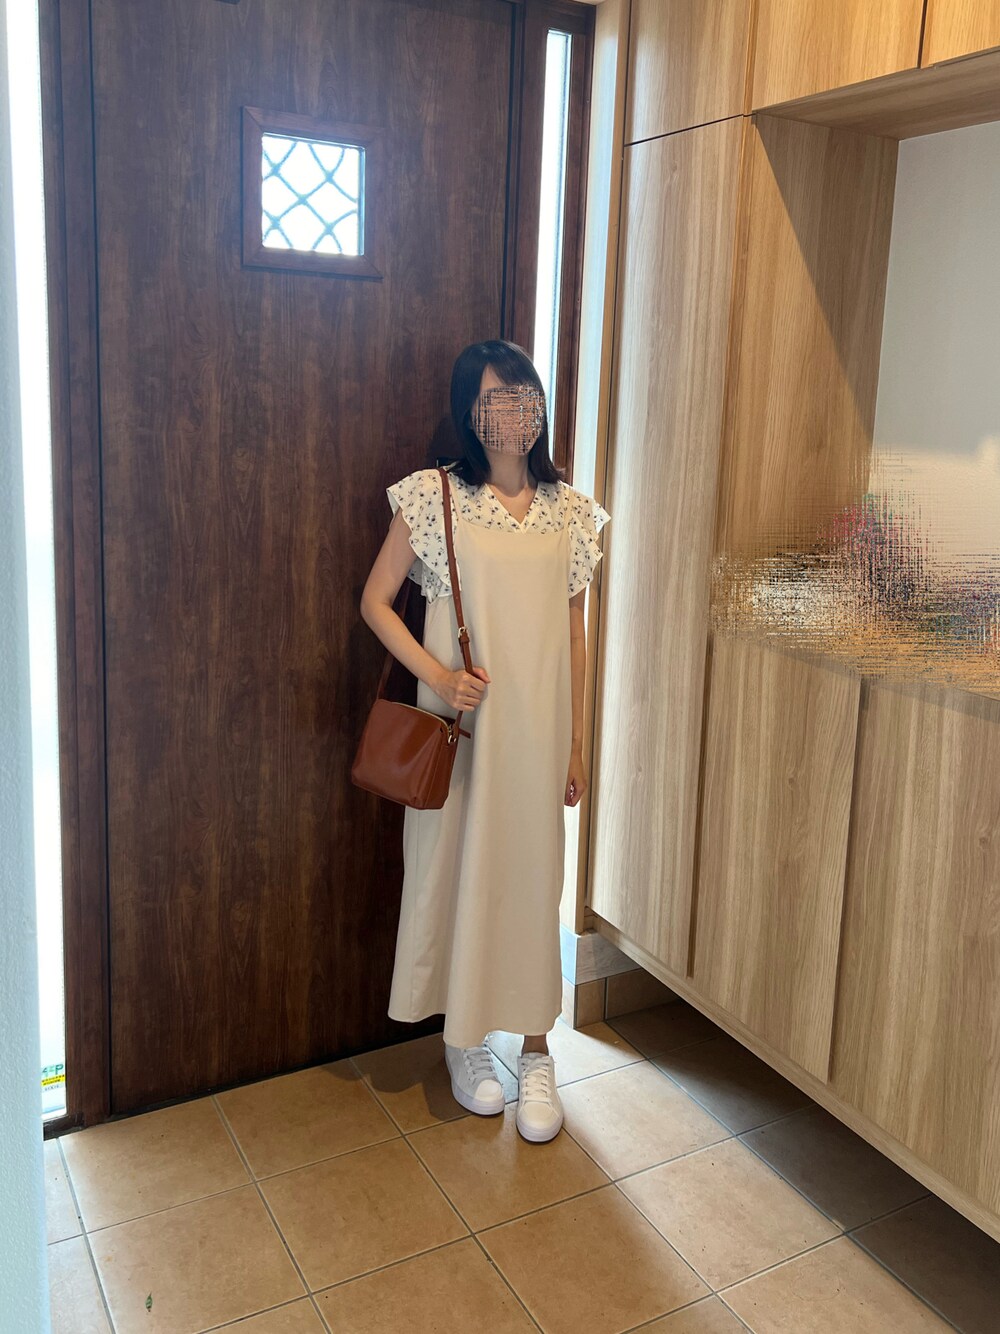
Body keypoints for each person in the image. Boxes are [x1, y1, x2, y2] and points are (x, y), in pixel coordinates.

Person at [359, 339, 610, 1143]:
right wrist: (439, 671)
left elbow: (575, 635)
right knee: (455, 871)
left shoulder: (571, 512)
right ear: (469, 411)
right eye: (497, 398)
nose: (515, 411)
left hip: (538, 736)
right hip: (462, 731)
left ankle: (536, 1049)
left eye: (526, 394)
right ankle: (463, 1040)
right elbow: (375, 602)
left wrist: (577, 744)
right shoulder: (433, 496)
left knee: (534, 880)